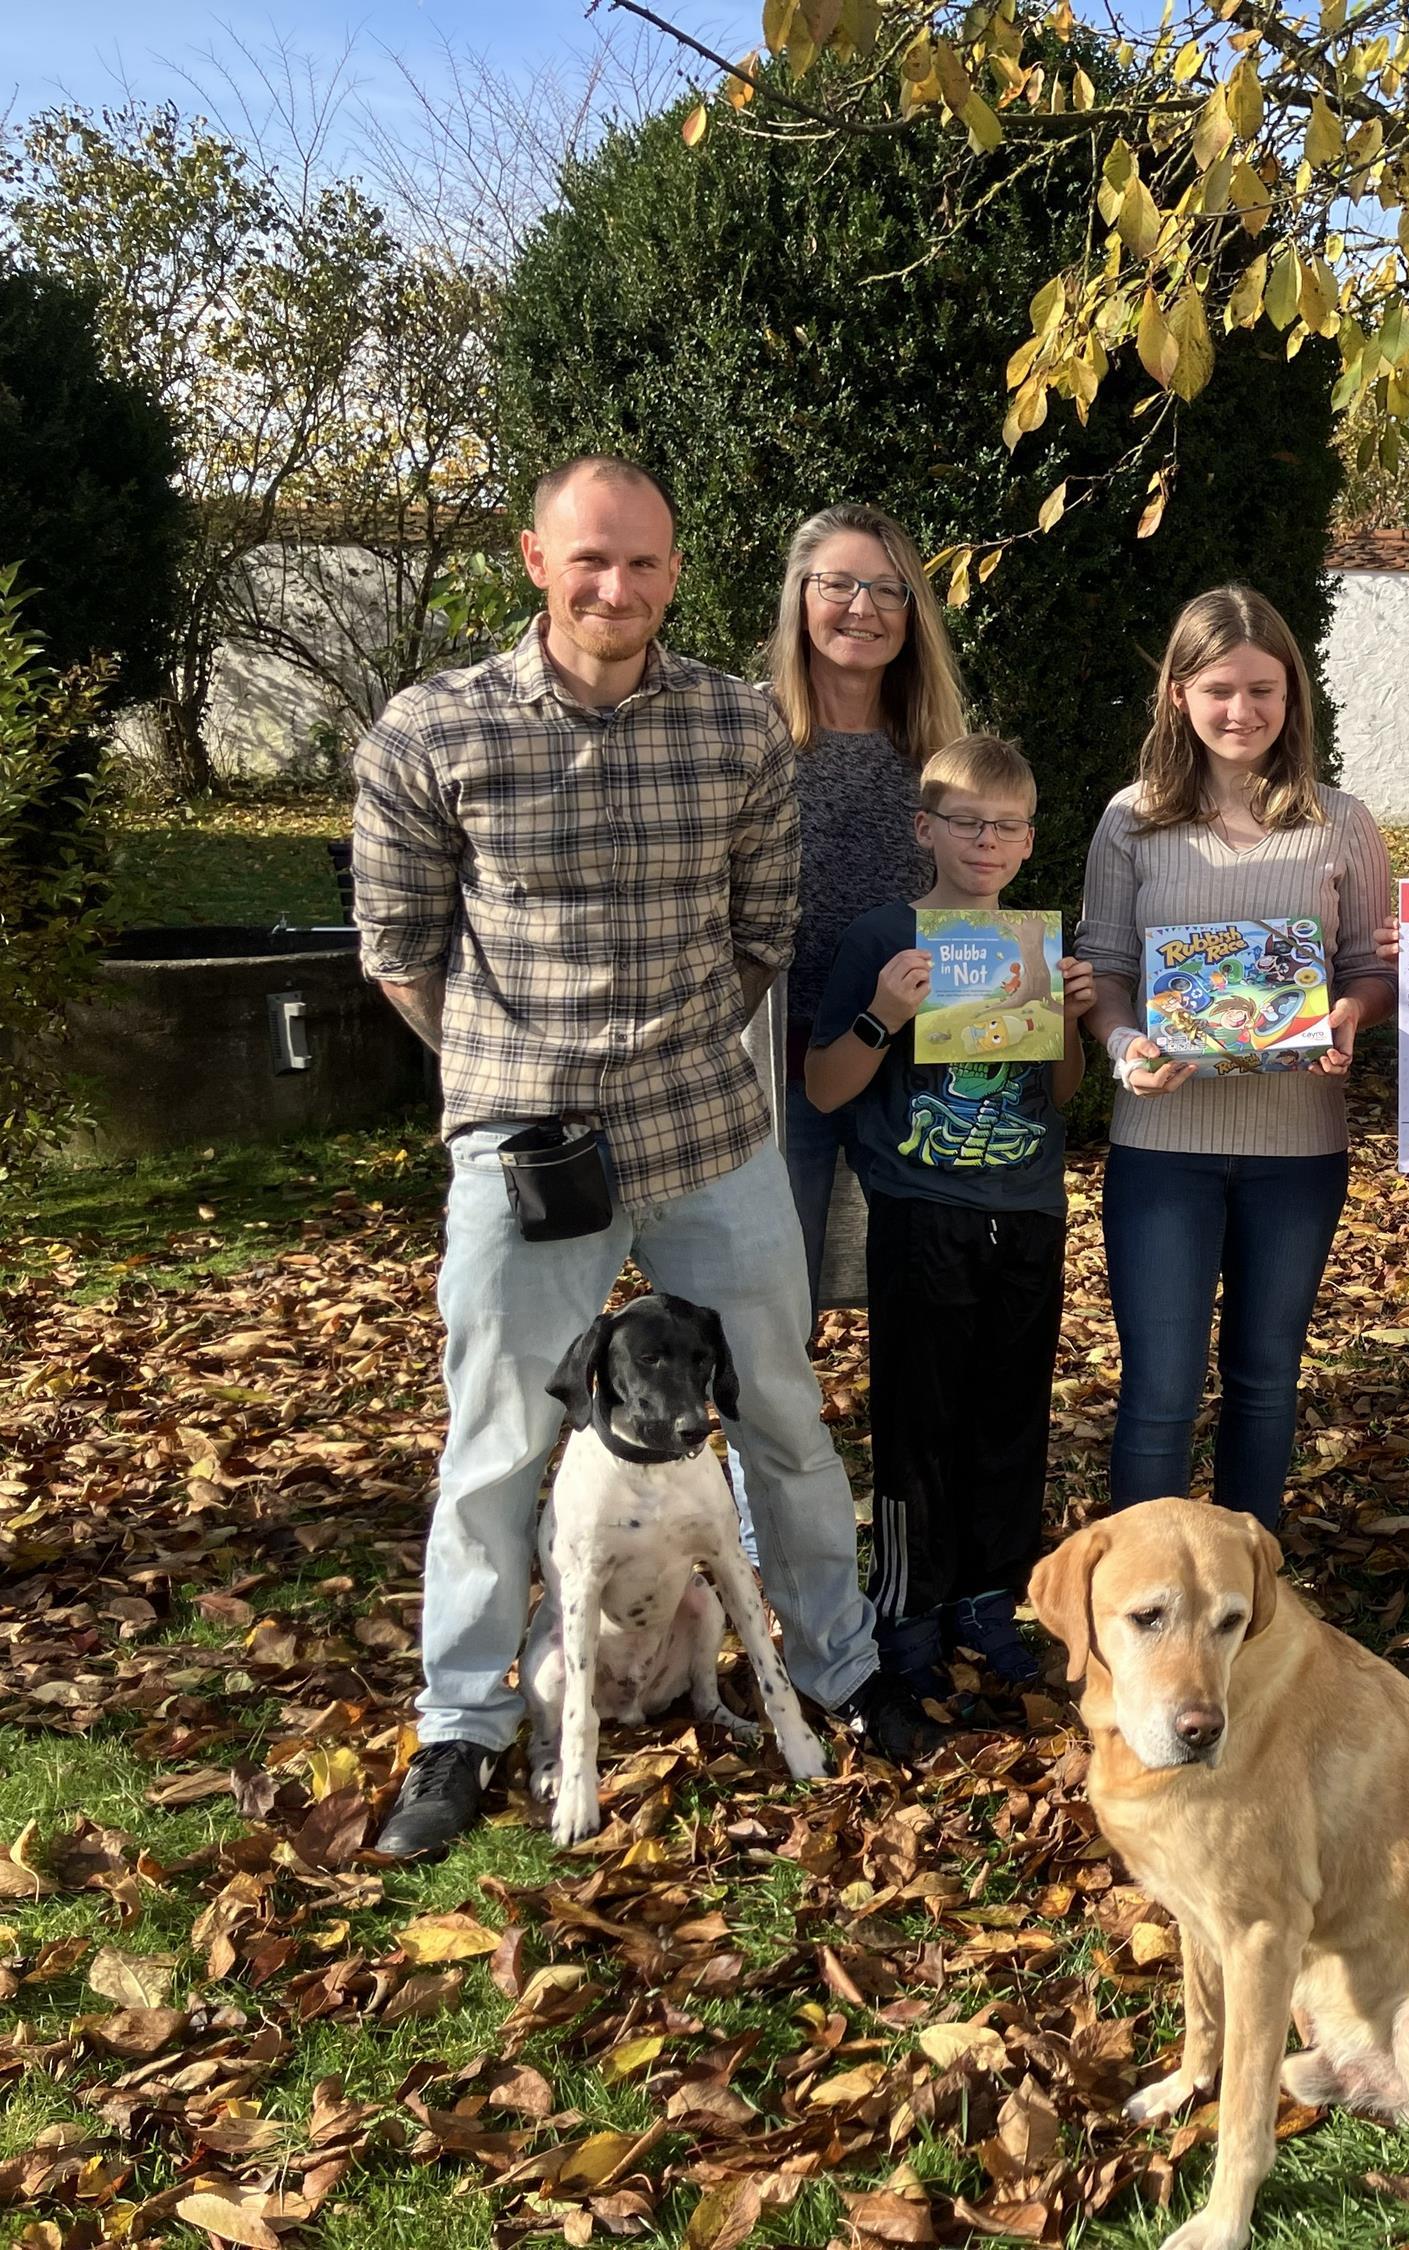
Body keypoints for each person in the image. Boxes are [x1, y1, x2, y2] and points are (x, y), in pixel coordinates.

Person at [351, 456, 935, 1860]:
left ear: (676, 571)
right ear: (534, 560)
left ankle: (838, 1666)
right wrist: (514, 1079)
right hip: (527, 1153)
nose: (617, 587)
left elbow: (761, 930)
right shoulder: (434, 730)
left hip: (708, 1138)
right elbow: (399, 951)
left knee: (782, 1411)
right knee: (498, 1442)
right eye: (590, 559)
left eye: (644, 563)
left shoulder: (736, 727)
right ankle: (461, 1723)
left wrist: (664, 1055)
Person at [1074, 586, 1395, 1526]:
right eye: (1219, 689)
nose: (1242, 711)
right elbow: (1105, 965)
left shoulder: (1341, 820)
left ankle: (1252, 1580)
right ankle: (1145, 1583)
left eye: (1263, 689)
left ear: (1292, 694)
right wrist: (1123, 1044)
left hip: (1298, 1147)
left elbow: (1372, 964)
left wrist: (1350, 1012)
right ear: (1179, 695)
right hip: (1160, 1144)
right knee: (1160, 1389)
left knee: (1265, 1379)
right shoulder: (1130, 819)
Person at [805, 734, 1090, 1712]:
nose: (986, 842)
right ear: (925, 829)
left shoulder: (1032, 945)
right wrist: (884, 1014)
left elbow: (1058, 1095)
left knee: (1011, 1415)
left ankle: (987, 1597)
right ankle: (909, 1607)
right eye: (967, 823)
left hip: (1029, 1211)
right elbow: (825, 1086)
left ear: (1029, 841)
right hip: (923, 1213)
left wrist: (1070, 1020)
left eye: (1007, 827)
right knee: (918, 1420)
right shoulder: (883, 936)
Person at [763, 503, 968, 1306]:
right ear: (799, 596)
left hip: (916, 1068)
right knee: (774, 1312)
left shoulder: (942, 753)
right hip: (777, 1070)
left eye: (889, 590)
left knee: (924, 1305)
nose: (863, 608)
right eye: (839, 584)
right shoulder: (747, 735)